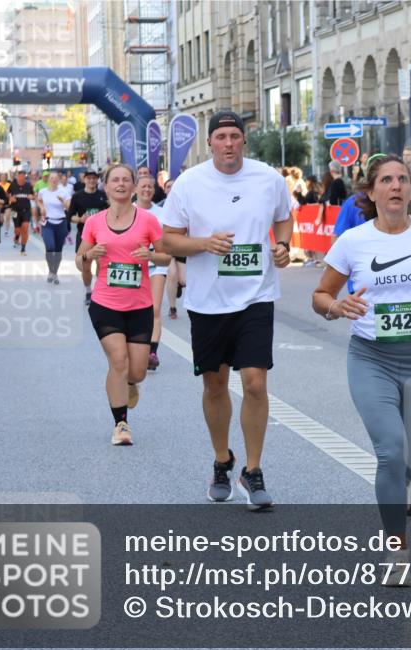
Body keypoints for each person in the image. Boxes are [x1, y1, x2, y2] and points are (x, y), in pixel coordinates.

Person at [312, 153, 411, 585]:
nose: (396, 186)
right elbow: (320, 296)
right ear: (371, 190)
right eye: (386, 179)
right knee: (391, 452)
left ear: (410, 189)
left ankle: (405, 484)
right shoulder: (353, 242)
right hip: (372, 358)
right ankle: (397, 550)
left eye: (402, 179)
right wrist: (337, 306)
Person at [161, 110, 293, 509]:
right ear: (210, 143)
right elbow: (169, 241)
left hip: (257, 296)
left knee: (255, 383)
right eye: (222, 137)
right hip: (208, 302)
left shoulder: (268, 178)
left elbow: (284, 220)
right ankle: (223, 460)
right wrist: (204, 244)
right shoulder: (190, 183)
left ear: (244, 142)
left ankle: (253, 472)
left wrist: (283, 247)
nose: (229, 143)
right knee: (215, 385)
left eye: (236, 136)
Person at [76, 164, 167, 445]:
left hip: (139, 305)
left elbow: (166, 258)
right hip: (105, 303)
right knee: (118, 360)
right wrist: (90, 254)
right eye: (114, 180)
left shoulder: (148, 220)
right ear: (105, 186)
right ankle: (121, 425)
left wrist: (151, 256)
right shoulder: (93, 222)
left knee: (136, 370)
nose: (120, 184)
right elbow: (80, 261)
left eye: (126, 180)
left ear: (134, 186)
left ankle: (129, 383)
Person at [134, 173, 173, 370]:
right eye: (143, 186)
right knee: (136, 310)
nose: (147, 190)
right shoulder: (128, 212)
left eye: (150, 187)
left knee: (155, 308)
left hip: (157, 263)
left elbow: (166, 242)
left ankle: (152, 352)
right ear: (136, 188)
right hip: (133, 266)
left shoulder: (161, 212)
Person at [67, 170, 110, 305]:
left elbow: (111, 212)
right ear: (84, 180)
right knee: (86, 266)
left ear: (97, 180)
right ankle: (88, 291)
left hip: (101, 235)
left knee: (101, 263)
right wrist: (80, 219)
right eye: (89, 178)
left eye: (94, 178)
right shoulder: (78, 197)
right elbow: (70, 217)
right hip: (85, 235)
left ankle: (98, 289)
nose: (92, 181)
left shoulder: (103, 195)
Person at [36, 171, 71, 284]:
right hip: (48, 222)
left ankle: (54, 273)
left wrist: (63, 201)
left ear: (59, 180)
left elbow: (69, 207)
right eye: (51, 178)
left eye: (56, 178)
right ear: (48, 179)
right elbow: (39, 200)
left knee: (58, 250)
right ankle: (51, 270)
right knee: (50, 247)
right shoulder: (43, 191)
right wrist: (41, 207)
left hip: (61, 222)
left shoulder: (64, 192)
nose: (54, 180)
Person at [7, 170, 35, 256]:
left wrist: (32, 197)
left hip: (26, 210)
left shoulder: (28, 185)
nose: (22, 178)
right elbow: (7, 194)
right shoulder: (13, 185)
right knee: (17, 230)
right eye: (20, 176)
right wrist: (11, 199)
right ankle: (16, 237)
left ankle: (23, 249)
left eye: (23, 176)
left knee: (25, 228)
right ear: (17, 177)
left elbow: (33, 195)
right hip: (14, 210)